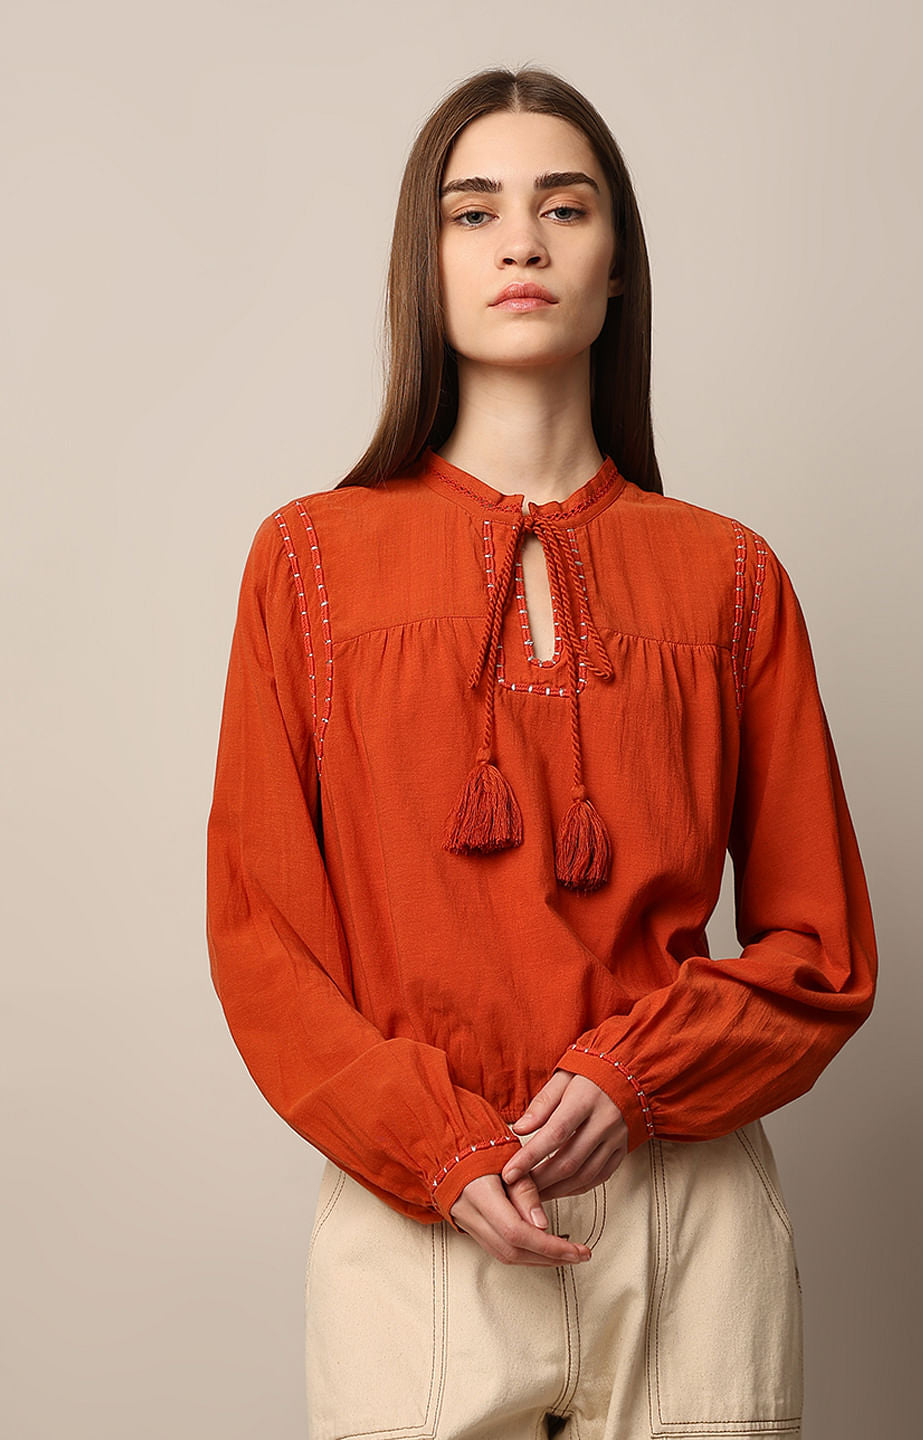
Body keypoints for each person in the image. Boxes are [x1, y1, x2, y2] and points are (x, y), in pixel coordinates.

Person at [205, 64, 878, 1440]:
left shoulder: (731, 578)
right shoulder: (308, 563)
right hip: (417, 1219)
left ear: (617, 265)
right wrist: (435, 1144)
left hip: (687, 1220)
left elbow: (823, 952)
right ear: (428, 264)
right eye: (475, 212)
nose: (521, 241)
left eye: (564, 208)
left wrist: (639, 1080)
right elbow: (262, 940)